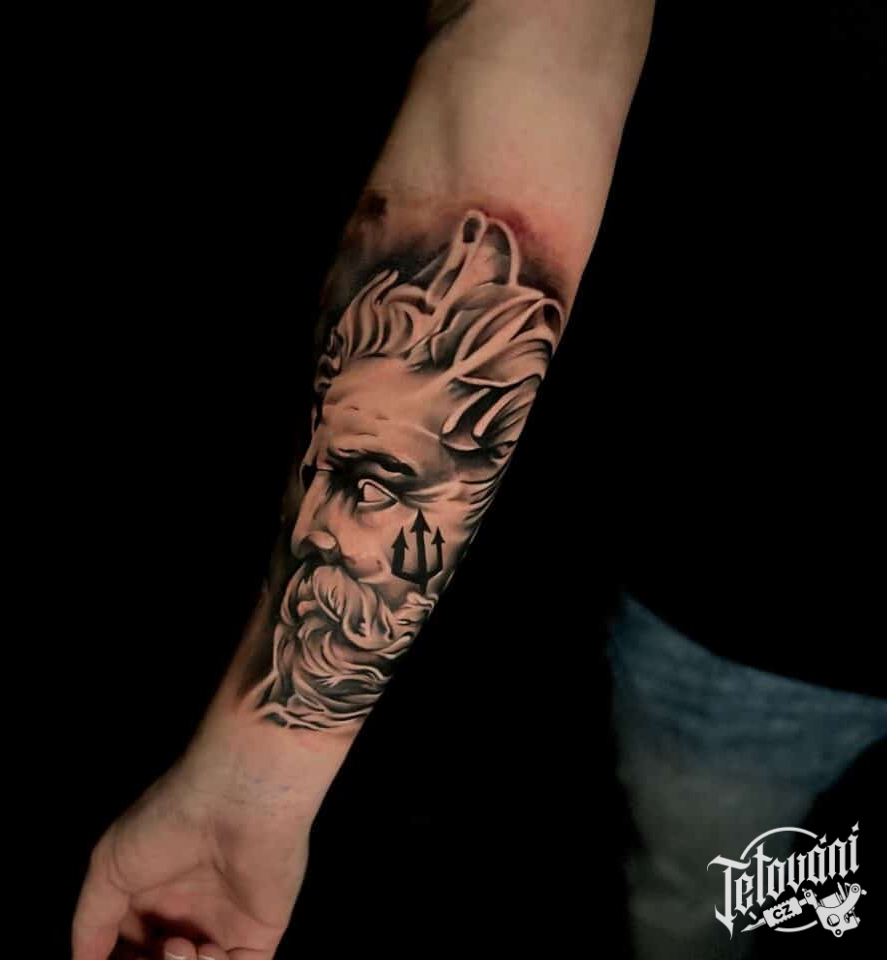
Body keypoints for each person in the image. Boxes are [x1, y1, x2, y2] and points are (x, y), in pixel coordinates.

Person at [72, 3, 886, 958]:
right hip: (749, 618)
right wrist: (257, 779)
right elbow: (530, 61)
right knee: (710, 896)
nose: (316, 525)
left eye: (369, 487)